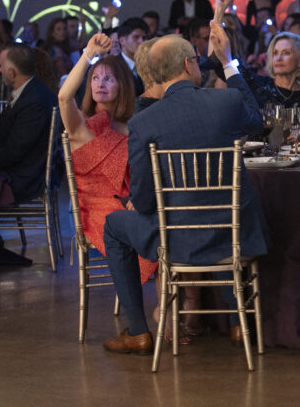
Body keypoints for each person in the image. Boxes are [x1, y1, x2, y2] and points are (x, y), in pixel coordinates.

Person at [101, 26, 266, 354]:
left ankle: (138, 331)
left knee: (113, 226)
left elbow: (145, 200)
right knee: (222, 217)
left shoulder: (143, 123)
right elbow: (257, 121)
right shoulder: (227, 101)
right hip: (234, 232)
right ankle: (238, 324)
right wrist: (228, 62)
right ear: (191, 64)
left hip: (177, 239)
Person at [58, 33, 158, 287]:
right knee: (157, 232)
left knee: (168, 223)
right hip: (95, 212)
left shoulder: (132, 126)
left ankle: (168, 310)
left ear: (122, 85)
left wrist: (138, 197)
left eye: (109, 79)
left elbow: (142, 174)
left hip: (129, 206)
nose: (100, 84)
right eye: (95, 78)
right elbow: (63, 97)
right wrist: (87, 55)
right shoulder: (82, 126)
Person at [0, 44, 59, 209]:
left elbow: (14, 150)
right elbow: (3, 137)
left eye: (2, 66)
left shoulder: (35, 101)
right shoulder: (29, 92)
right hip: (20, 170)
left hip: (24, 178)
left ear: (12, 72)